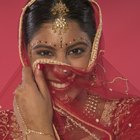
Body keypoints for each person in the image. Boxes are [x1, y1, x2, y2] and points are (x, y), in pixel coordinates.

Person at [0, 0, 140, 139]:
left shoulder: (129, 117)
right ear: (26, 55)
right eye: (45, 53)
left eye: (76, 51)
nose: (62, 70)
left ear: (94, 52)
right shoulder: (4, 128)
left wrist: (38, 131)